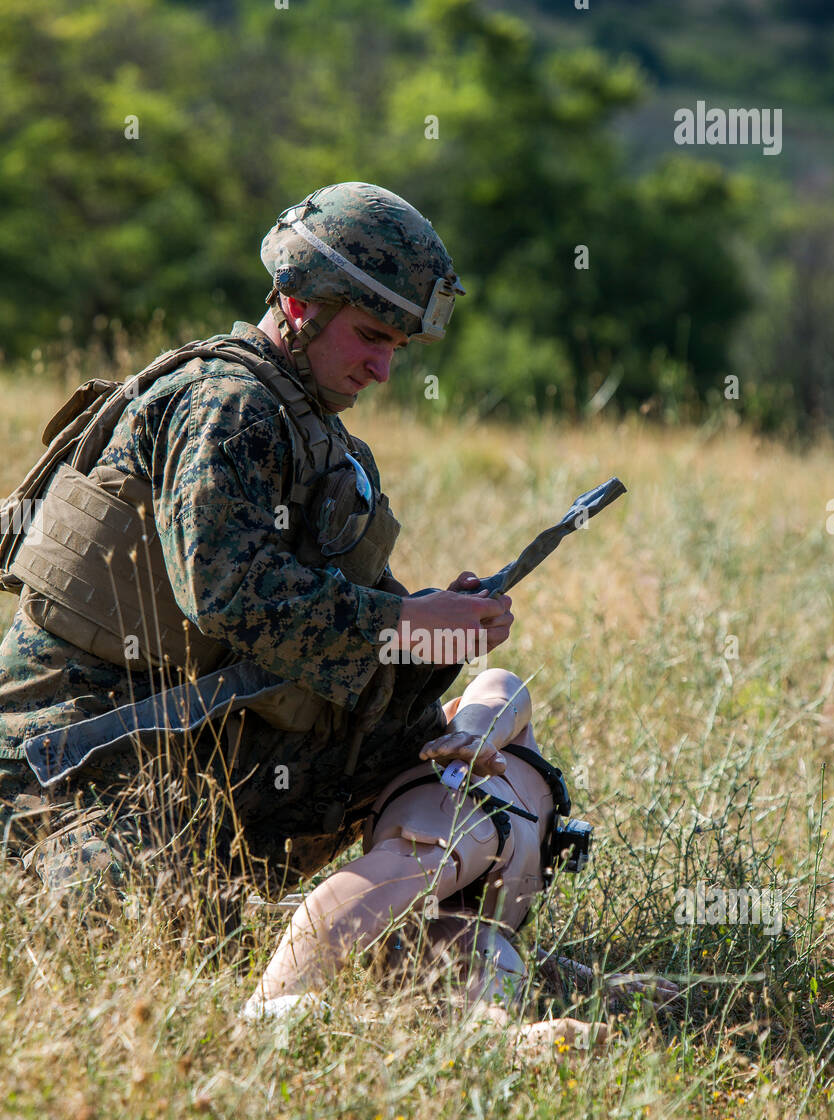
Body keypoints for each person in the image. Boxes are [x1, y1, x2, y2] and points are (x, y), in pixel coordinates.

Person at [0, 182, 513, 910]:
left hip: (193, 749)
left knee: (468, 783)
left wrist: (437, 628)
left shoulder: (317, 433)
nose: (383, 370)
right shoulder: (226, 405)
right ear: (300, 304)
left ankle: (427, 935)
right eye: (371, 337)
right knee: (162, 920)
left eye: (396, 348)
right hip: (71, 758)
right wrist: (402, 625)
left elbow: (331, 622)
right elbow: (230, 595)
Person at [243, 667, 675, 1059]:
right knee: (408, 868)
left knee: (492, 963)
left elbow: (502, 939)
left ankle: (500, 1039)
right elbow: (500, 686)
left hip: (455, 911)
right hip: (460, 819)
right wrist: (472, 733)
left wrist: (590, 981)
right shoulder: (481, 739)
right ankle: (273, 1004)